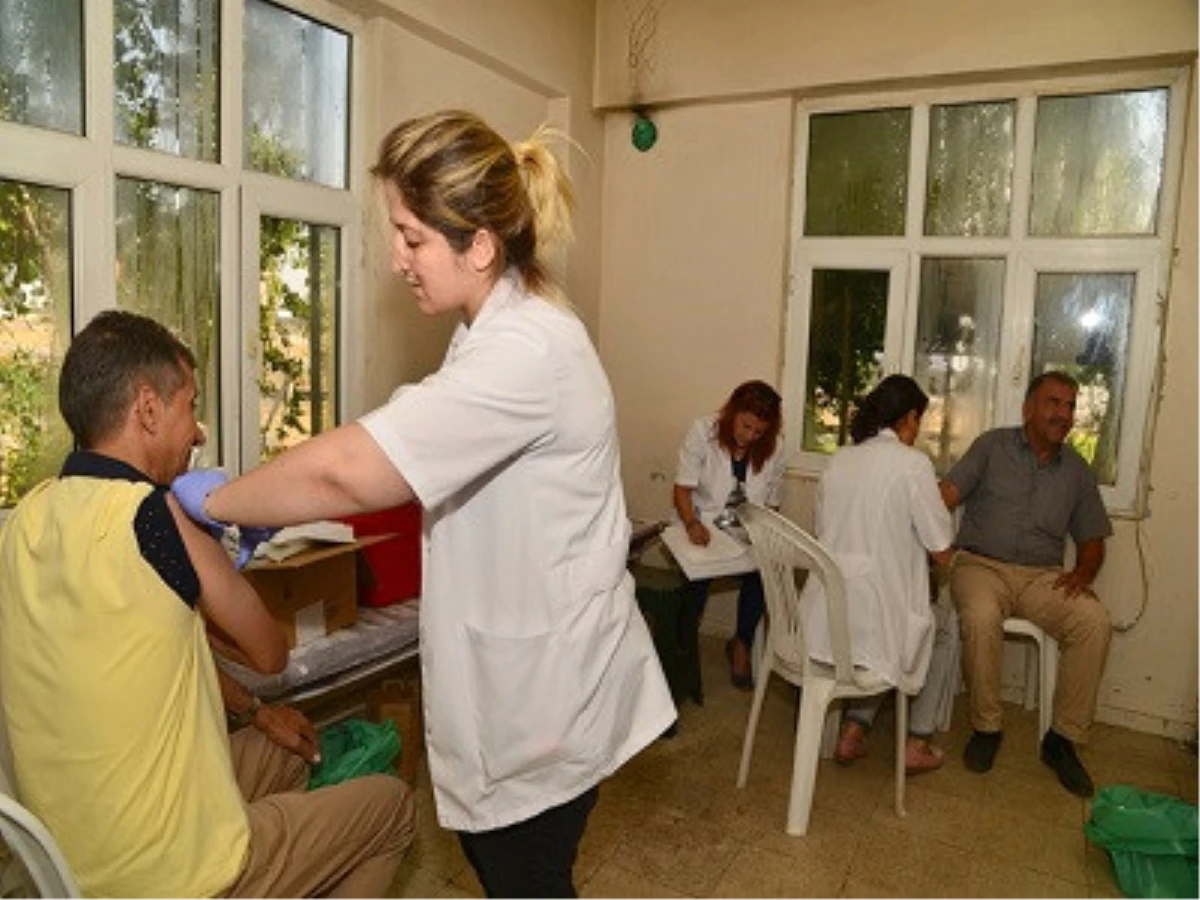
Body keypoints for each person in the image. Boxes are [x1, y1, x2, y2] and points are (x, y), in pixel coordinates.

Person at [172, 110, 676, 898]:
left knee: (526, 878)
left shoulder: (527, 351)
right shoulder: (492, 329)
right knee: (508, 869)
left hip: (546, 695)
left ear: (479, 245)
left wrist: (222, 501)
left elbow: (351, 472)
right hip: (523, 673)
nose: (397, 259)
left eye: (411, 237)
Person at [0, 310, 415, 897]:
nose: (197, 432)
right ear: (147, 409)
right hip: (169, 878)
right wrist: (220, 536)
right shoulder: (151, 515)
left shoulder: (26, 519)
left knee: (290, 754)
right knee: (391, 809)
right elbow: (270, 652)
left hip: (69, 862)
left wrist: (256, 711)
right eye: (189, 406)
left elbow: (155, 643)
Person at [941, 370, 1113, 797]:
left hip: (1042, 576)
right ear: (1029, 408)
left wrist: (1082, 575)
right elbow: (945, 495)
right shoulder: (991, 446)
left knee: (1094, 621)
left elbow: (1093, 540)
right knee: (980, 616)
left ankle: (1061, 740)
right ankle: (987, 728)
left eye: (1070, 406)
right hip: (981, 565)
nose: (1063, 414)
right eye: (1054, 403)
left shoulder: (1076, 470)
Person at [799, 375, 956, 773]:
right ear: (908, 418)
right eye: (918, 422)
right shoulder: (913, 465)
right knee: (943, 630)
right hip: (871, 629)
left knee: (879, 625)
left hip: (820, 624)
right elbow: (940, 550)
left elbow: (824, 533)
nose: (917, 432)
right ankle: (917, 742)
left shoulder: (839, 461)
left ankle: (854, 729)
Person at [673, 380, 786, 690]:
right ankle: (682, 650)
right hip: (703, 525)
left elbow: (772, 504)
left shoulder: (775, 447)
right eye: (746, 426)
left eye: (759, 432)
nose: (750, 436)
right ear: (732, 412)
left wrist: (765, 535)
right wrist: (692, 524)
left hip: (746, 529)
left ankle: (741, 644)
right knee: (696, 582)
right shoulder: (702, 431)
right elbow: (682, 489)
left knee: (762, 573)